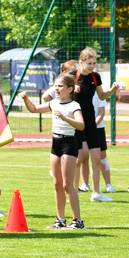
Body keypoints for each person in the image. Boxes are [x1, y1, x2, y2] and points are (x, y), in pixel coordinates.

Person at [22, 74, 86, 229]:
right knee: (57, 184)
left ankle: (77, 221)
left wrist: (65, 118)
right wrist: (25, 98)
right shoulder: (53, 103)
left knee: (67, 184)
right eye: (55, 86)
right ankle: (60, 220)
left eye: (60, 86)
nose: (57, 89)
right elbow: (34, 109)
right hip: (55, 143)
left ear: (70, 89)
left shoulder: (74, 106)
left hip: (69, 144)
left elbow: (81, 125)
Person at [74, 48, 118, 202]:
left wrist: (113, 90)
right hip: (75, 121)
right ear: (81, 62)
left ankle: (97, 193)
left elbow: (102, 95)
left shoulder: (95, 77)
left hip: (90, 122)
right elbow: (61, 94)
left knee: (96, 158)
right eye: (89, 63)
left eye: (94, 63)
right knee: (77, 159)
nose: (92, 66)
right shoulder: (73, 76)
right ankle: (73, 192)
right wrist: (73, 89)